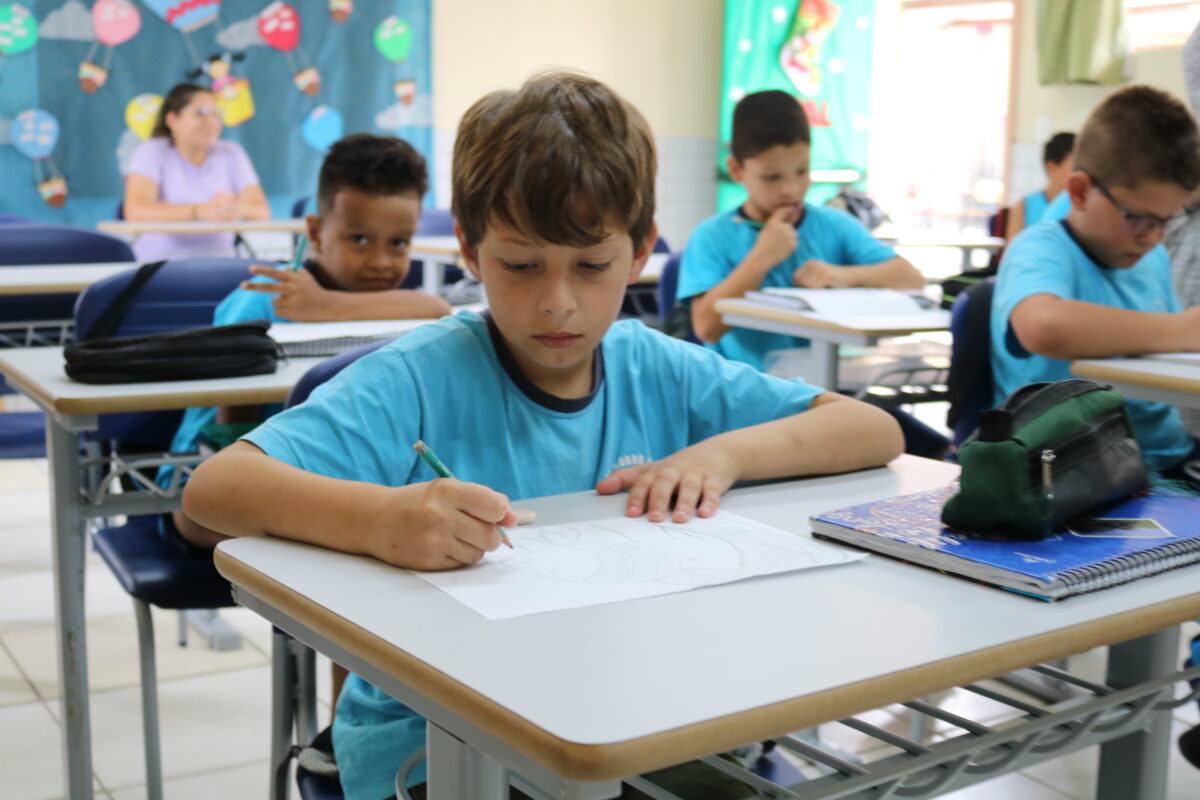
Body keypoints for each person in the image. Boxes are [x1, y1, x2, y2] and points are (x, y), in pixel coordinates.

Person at [182, 71, 904, 800]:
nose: (558, 304)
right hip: (437, 739)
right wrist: (378, 520)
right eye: (521, 265)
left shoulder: (656, 366)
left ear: (642, 249)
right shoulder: (421, 376)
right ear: (468, 248)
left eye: (593, 267)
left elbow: (870, 429)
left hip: (636, 702)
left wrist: (722, 453)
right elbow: (213, 491)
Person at [162, 132, 451, 553]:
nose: (381, 262)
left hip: (332, 476)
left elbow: (436, 308)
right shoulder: (262, 298)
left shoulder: (386, 302)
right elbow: (229, 437)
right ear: (315, 232)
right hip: (214, 478)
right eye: (359, 239)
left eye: (399, 243)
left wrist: (326, 306)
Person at [676, 89, 947, 458]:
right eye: (772, 177)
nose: (791, 189)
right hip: (748, 401)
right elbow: (706, 326)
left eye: (802, 172)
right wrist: (761, 257)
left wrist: (843, 275)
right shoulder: (714, 235)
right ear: (738, 170)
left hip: (830, 393)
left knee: (923, 449)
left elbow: (910, 278)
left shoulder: (833, 225)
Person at [991, 85, 1200, 480]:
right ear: (1081, 190)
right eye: (1138, 217)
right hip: (1071, 467)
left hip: (1165, 456)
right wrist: (1183, 330)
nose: (1154, 236)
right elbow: (1043, 326)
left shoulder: (1151, 255)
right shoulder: (1040, 247)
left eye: (1167, 220)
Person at [123, 83, 270, 261]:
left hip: (222, 261)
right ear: (172, 120)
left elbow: (261, 210)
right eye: (200, 113)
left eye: (216, 114)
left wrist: (234, 208)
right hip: (161, 262)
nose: (211, 121)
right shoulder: (152, 150)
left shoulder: (231, 152)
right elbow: (135, 211)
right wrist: (200, 211)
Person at [1004, 132, 1075, 239]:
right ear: (1052, 167)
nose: (1080, 173)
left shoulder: (1078, 206)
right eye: (1074, 166)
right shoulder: (1024, 206)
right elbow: (1011, 251)